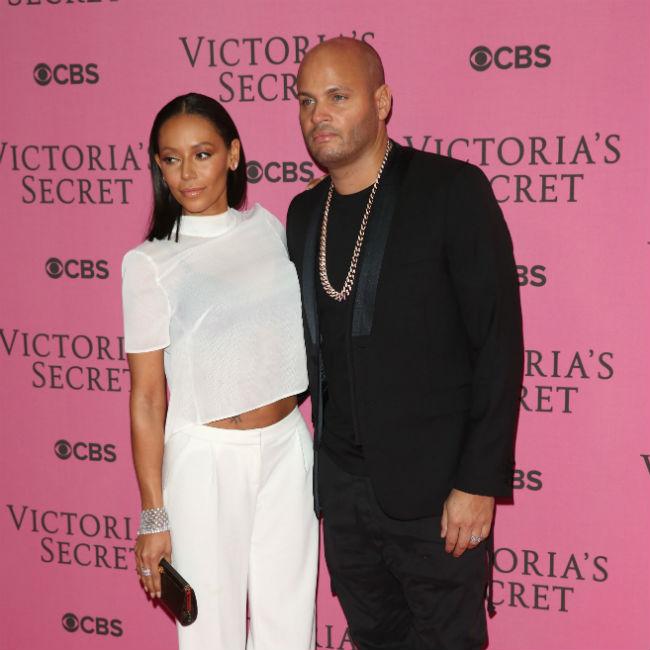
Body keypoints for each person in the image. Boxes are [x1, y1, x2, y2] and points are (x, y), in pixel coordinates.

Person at [286, 38, 524, 650]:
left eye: (338, 97)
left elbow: (497, 343)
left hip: (438, 494)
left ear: (382, 101)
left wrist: (477, 484)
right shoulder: (304, 213)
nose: (319, 115)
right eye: (307, 101)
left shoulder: (450, 190)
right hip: (343, 493)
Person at [122, 92, 317, 650]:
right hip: (206, 459)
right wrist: (154, 515)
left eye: (202, 154)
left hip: (288, 447)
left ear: (232, 155)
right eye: (171, 158)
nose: (187, 173)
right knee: (211, 636)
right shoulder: (150, 263)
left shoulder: (270, 228)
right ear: (158, 166)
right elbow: (147, 397)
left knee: (290, 627)